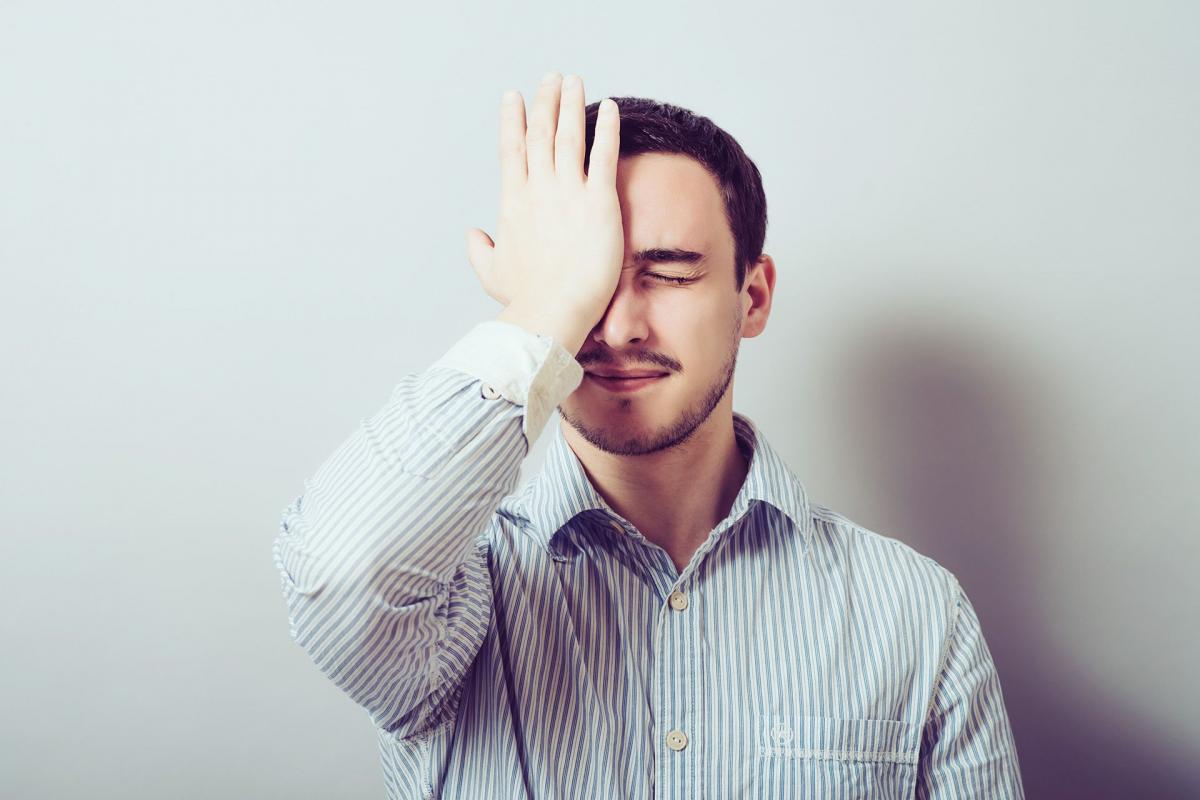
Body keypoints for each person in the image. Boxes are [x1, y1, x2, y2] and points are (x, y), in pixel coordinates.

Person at [273, 71, 1025, 799]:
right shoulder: (450, 606)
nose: (617, 326)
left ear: (753, 296)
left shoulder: (917, 614)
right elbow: (338, 572)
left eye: (666, 274)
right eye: (588, 282)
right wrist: (541, 313)